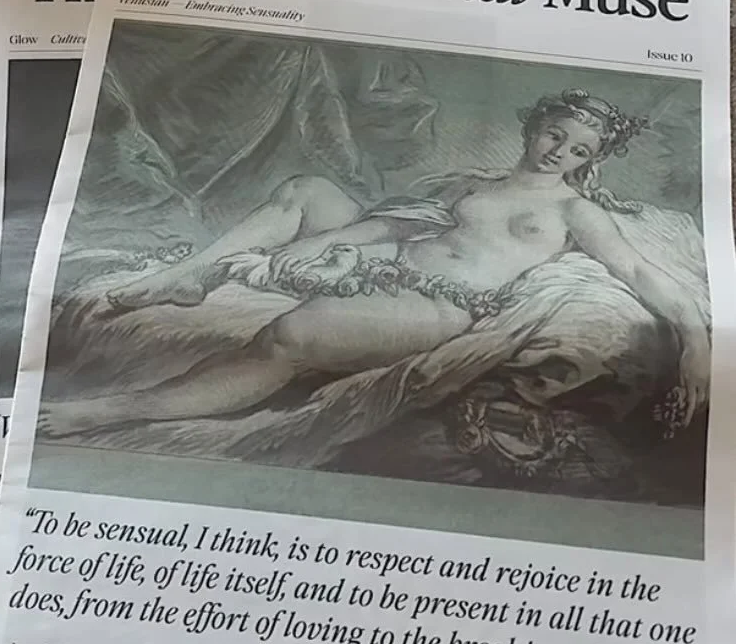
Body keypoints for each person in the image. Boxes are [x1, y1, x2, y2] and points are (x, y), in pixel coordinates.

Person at [39, 92, 709, 439]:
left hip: (440, 306)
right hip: (387, 264)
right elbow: (399, 223)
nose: (558, 151)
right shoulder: (472, 184)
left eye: (577, 149)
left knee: (292, 335)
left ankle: (111, 410)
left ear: (590, 161)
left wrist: (697, 345)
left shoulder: (575, 211)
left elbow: (641, 274)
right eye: (554, 134)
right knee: (307, 189)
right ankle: (187, 273)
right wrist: (328, 243)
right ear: (534, 128)